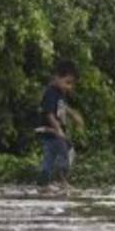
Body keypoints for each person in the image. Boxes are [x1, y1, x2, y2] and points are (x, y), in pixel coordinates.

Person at [38, 60, 79, 188]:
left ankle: (43, 183)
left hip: (54, 132)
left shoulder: (60, 93)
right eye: (67, 82)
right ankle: (61, 180)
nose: (69, 87)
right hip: (52, 130)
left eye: (72, 84)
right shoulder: (50, 92)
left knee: (49, 158)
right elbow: (49, 113)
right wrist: (59, 130)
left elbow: (62, 107)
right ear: (57, 77)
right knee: (67, 151)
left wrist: (74, 115)